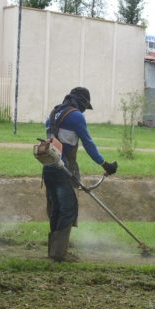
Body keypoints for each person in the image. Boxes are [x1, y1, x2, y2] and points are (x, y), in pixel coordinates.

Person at [43, 87, 117, 261]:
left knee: (56, 209)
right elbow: (88, 144)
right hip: (64, 170)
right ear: (82, 101)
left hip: (48, 168)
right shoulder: (76, 116)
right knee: (67, 209)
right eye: (85, 106)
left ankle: (53, 252)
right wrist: (105, 164)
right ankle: (59, 254)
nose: (84, 110)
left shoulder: (53, 113)